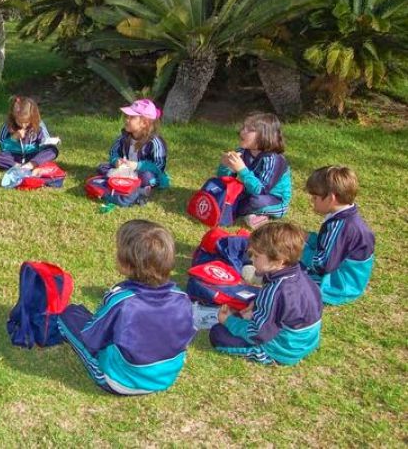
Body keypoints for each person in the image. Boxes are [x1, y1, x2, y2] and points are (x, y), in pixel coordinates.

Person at [57, 220, 196, 395]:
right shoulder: (182, 298)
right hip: (166, 378)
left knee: (69, 315)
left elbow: (92, 339)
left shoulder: (121, 301)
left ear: (126, 264)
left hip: (120, 381)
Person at [209, 221, 322, 365]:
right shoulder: (302, 276)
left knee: (218, 334)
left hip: (284, 349)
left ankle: (272, 357)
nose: (251, 259)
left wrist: (229, 321)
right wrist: (257, 305)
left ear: (279, 261)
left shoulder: (276, 290)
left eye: (256, 256)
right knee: (245, 313)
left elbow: (257, 334)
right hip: (307, 341)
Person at [301, 166, 375, 305]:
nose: (312, 201)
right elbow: (329, 246)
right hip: (346, 276)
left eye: (315, 197)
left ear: (331, 198)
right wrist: (308, 238)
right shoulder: (346, 216)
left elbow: (322, 265)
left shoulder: (340, 226)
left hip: (339, 285)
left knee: (288, 271)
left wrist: (299, 251)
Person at [218, 112, 292, 228]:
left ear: (264, 136)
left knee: (254, 201)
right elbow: (225, 180)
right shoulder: (243, 151)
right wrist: (225, 166)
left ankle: (237, 212)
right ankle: (249, 214)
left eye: (249, 129)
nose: (242, 131)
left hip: (274, 200)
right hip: (249, 192)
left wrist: (242, 170)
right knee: (224, 191)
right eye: (243, 127)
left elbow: (261, 191)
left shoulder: (274, 160)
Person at [96, 99, 169, 190]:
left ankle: (136, 182)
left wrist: (138, 166)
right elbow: (113, 152)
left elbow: (159, 165)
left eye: (132, 117)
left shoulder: (155, 142)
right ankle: (127, 180)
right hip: (126, 170)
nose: (127, 120)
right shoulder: (123, 137)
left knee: (147, 178)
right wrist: (116, 161)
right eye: (127, 116)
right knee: (102, 167)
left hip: (145, 172)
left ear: (144, 123)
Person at [0, 96, 59, 175]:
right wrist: (13, 138)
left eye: (26, 122)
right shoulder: (8, 125)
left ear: (33, 117)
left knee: (52, 150)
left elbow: (44, 143)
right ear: (14, 117)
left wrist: (51, 141)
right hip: (13, 156)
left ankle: (31, 165)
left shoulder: (38, 125)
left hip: (33, 156)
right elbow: (1, 143)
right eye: (19, 122)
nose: (23, 125)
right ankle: (19, 167)